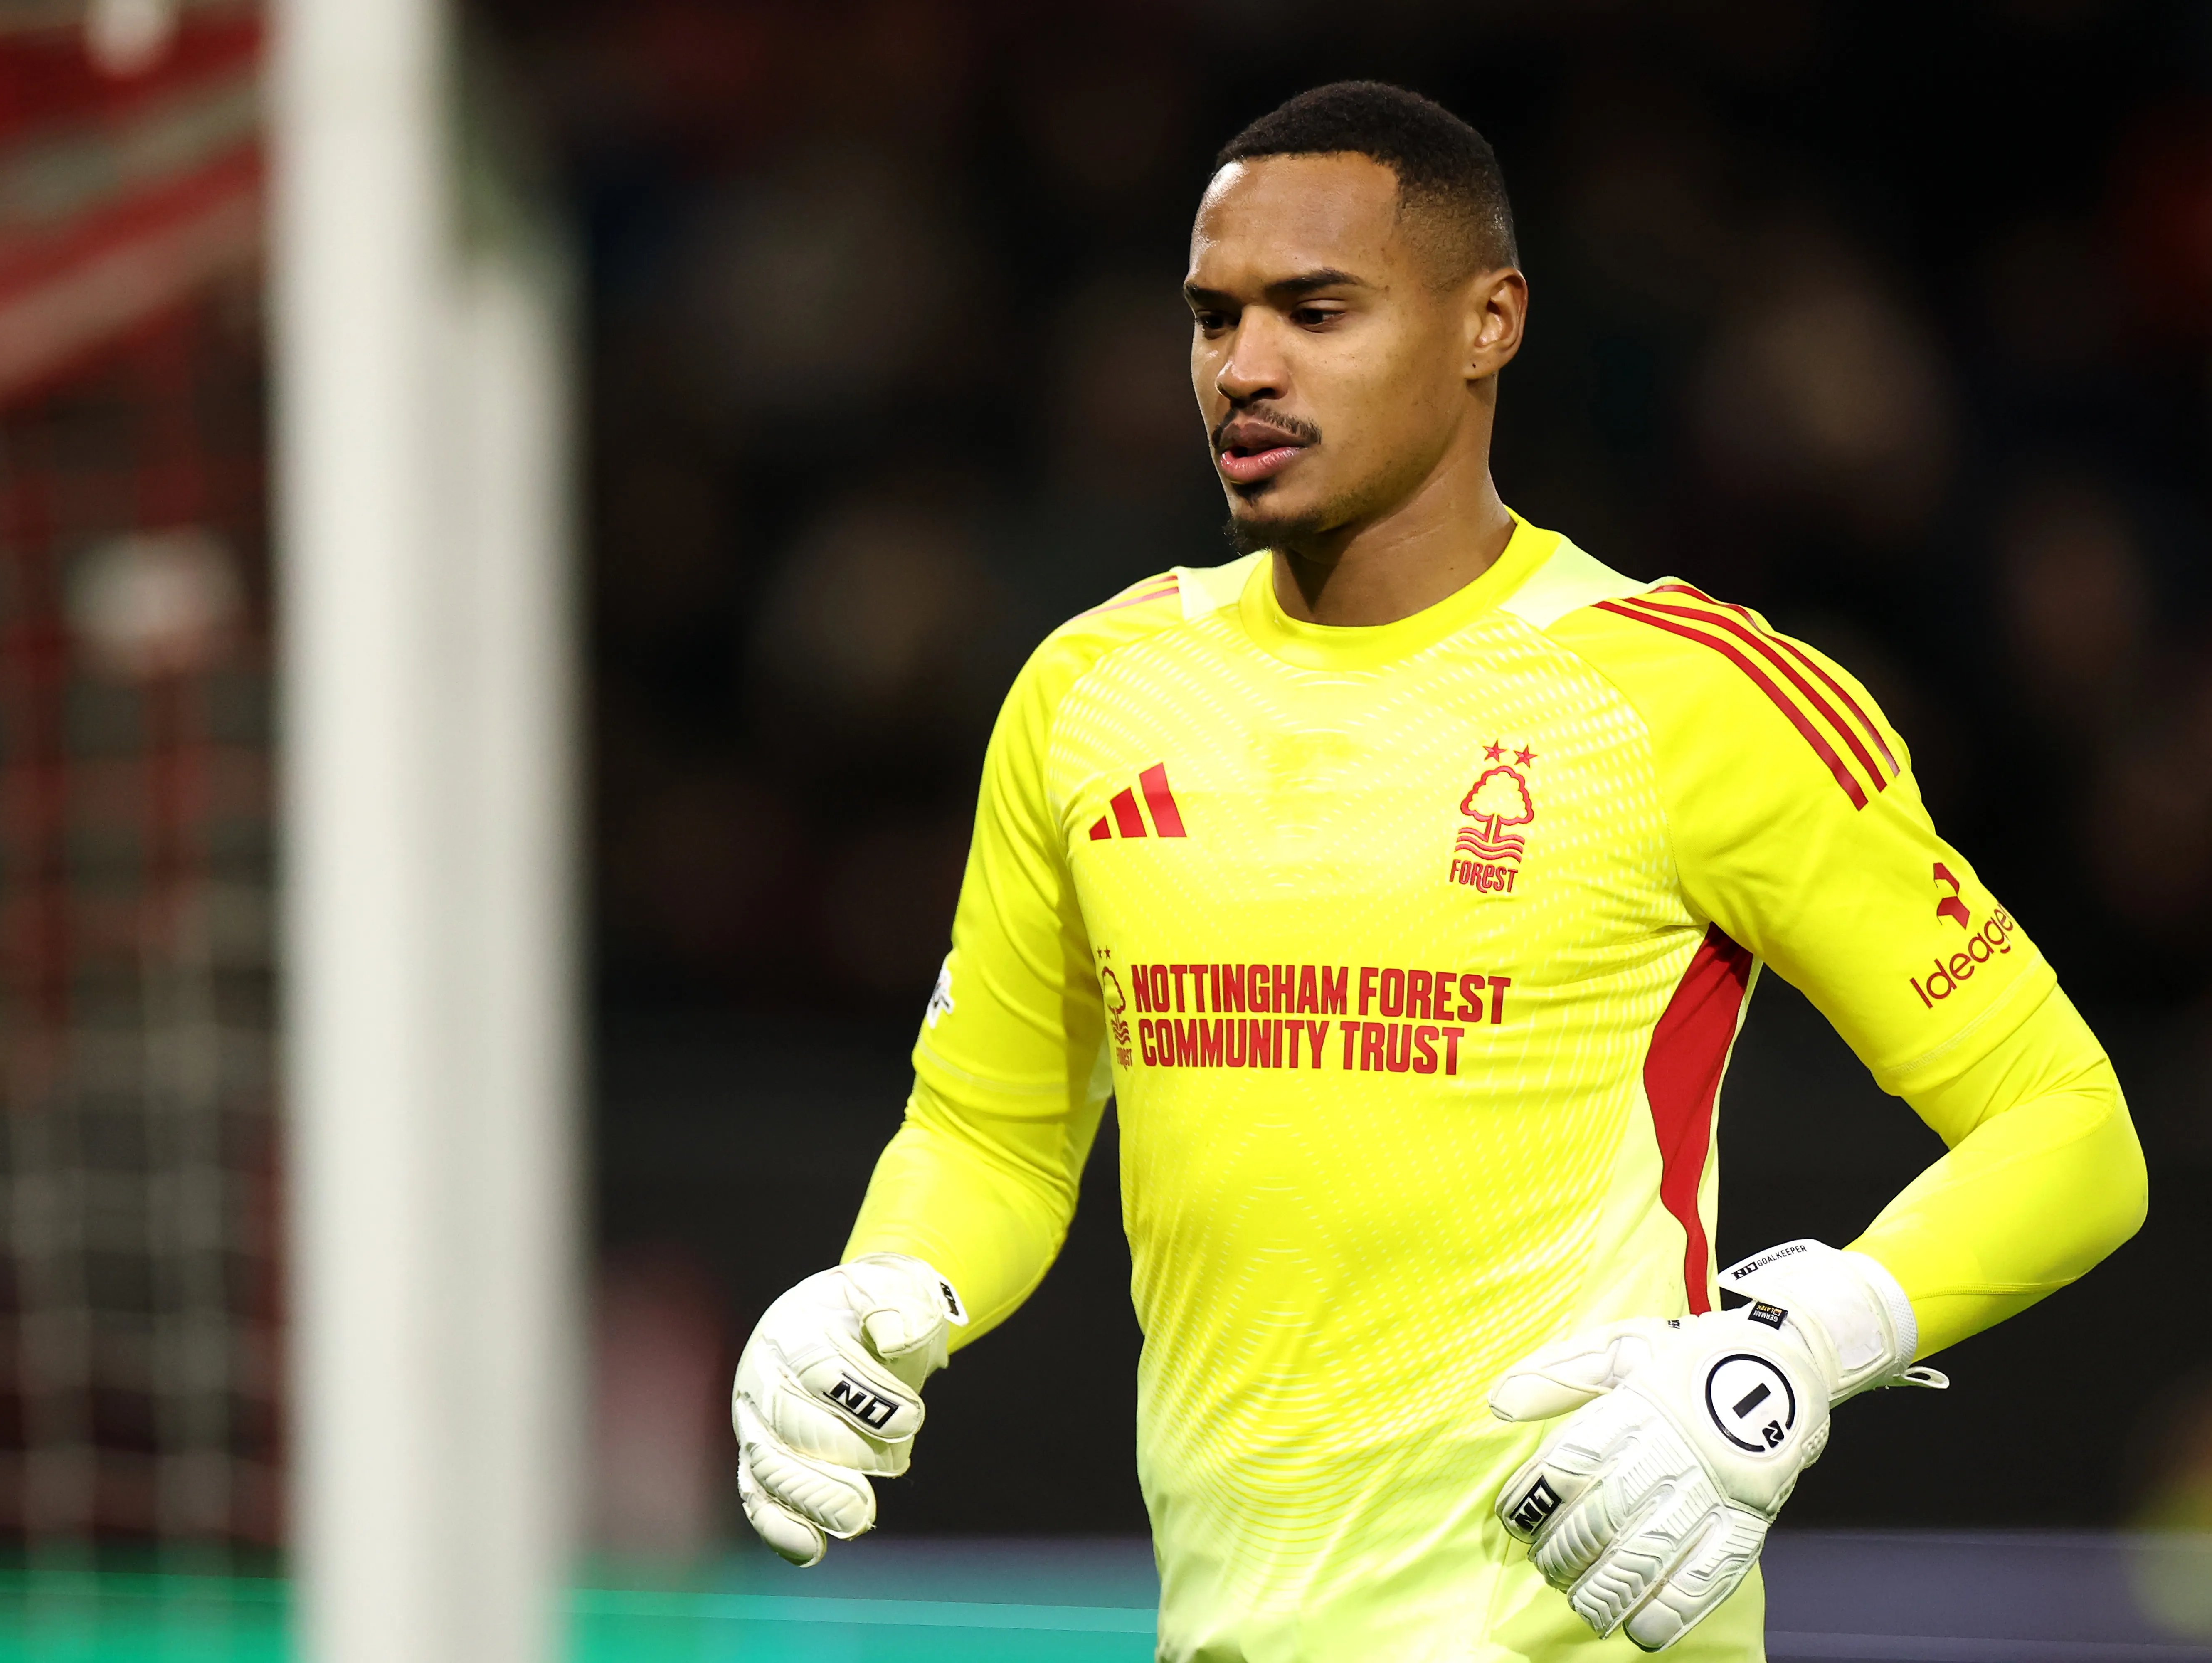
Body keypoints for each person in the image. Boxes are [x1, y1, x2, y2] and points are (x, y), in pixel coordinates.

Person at [726, 80, 2147, 1661]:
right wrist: (870, 1291)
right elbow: (993, 1128)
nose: (1244, 368)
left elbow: (2072, 1133)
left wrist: (1798, 1353)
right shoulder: (1091, 689)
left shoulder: (1692, 695)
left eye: (1315, 312)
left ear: (1491, 323)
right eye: (1214, 319)